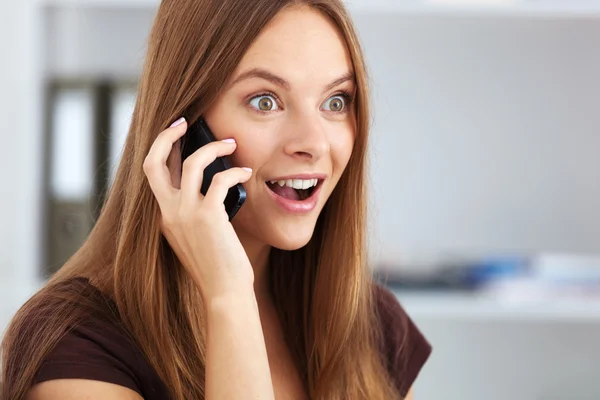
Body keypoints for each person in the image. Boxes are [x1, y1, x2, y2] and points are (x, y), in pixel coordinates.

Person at [1, 1, 431, 399]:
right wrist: (228, 296)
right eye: (266, 101)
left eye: (336, 101)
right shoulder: (75, 340)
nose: (314, 143)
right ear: (182, 131)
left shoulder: (372, 325)